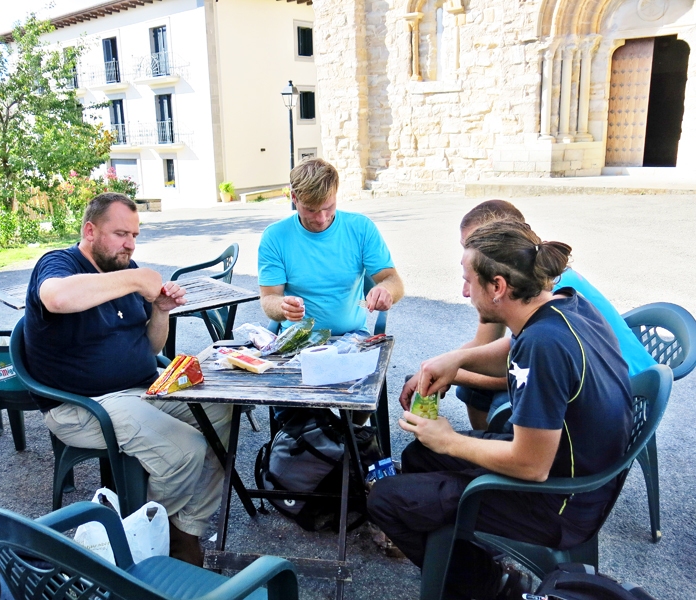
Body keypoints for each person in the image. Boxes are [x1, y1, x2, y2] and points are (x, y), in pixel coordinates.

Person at [367, 220, 633, 600]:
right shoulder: (566, 305)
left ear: (498, 287)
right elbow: (514, 350)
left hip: (561, 504)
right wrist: (456, 360)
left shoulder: (544, 347)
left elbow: (530, 465)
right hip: (581, 473)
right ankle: (465, 553)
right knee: (419, 455)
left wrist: (450, 440)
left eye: (468, 280)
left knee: (386, 500)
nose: (463, 292)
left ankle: (494, 586)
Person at [23, 192, 231, 566]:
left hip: (140, 390)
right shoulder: (59, 263)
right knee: (185, 449)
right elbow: (55, 299)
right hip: (82, 405)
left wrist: (161, 311)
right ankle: (147, 538)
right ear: (90, 230)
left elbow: (150, 349)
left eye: (134, 235)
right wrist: (136, 278)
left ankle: (186, 529)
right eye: (120, 234)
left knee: (220, 413)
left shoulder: (124, 270)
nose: (130, 244)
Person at [453, 200, 655, 430]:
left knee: (493, 398)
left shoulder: (543, 290)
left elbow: (527, 373)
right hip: (614, 381)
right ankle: (485, 451)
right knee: (476, 386)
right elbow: (485, 344)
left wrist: (453, 376)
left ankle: (490, 456)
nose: (469, 253)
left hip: (624, 388)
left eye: (476, 243)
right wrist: (439, 366)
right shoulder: (532, 270)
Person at [257, 158, 404, 424]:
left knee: (358, 400)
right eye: (311, 210)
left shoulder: (359, 228)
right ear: (293, 198)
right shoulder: (275, 237)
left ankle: (346, 440)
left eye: (329, 207)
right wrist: (282, 307)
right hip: (296, 341)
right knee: (296, 415)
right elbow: (268, 299)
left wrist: (384, 291)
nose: (322, 219)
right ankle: (321, 443)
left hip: (351, 336)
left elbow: (392, 280)